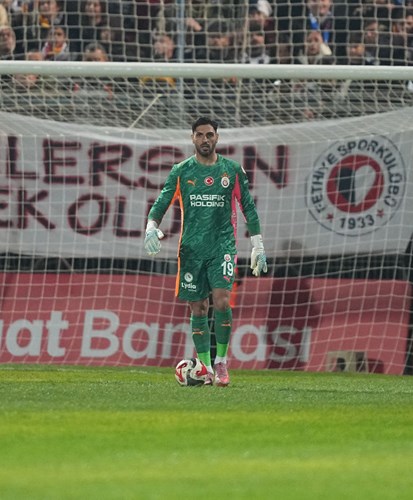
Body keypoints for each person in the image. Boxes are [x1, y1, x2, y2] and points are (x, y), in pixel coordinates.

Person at [144, 117, 268, 387]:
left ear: (217, 137)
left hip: (222, 247)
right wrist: (151, 226)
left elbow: (248, 207)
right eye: (199, 135)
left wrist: (258, 245)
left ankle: (221, 362)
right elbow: (162, 201)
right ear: (192, 138)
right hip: (191, 249)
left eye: (209, 134)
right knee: (198, 307)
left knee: (221, 301)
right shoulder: (181, 171)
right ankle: (206, 367)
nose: (204, 139)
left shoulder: (231, 170)